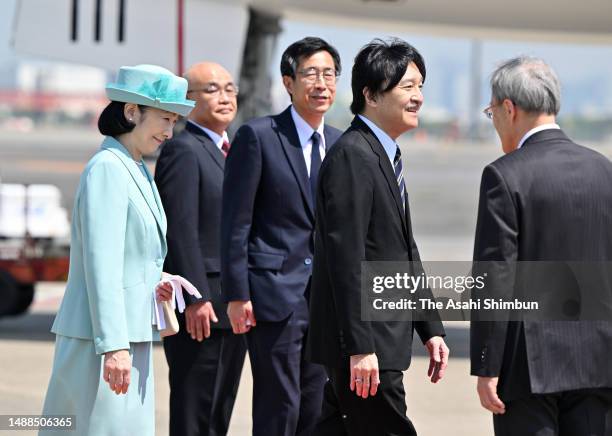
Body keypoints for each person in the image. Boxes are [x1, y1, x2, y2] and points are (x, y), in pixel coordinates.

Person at [40, 64, 195, 436]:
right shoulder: (109, 168)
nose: (169, 132)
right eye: (164, 119)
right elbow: (101, 263)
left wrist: (155, 279)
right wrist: (114, 347)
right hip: (104, 339)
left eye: (173, 121)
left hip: (126, 335)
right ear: (131, 112)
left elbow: (128, 255)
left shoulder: (134, 167)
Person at [306, 38, 449, 436]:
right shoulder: (354, 154)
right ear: (370, 94)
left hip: (377, 340)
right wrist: (360, 346)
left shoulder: (383, 154)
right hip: (367, 345)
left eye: (420, 86)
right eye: (407, 87)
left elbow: (403, 251)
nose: (418, 97)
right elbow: (346, 258)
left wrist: (431, 328)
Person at [471, 56, 612, 435]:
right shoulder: (604, 170)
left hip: (529, 368)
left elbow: (495, 276)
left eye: (491, 112)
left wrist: (487, 365)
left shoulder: (505, 175)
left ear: (509, 108)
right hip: (600, 364)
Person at [220, 37, 342, 435]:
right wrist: (237, 294)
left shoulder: (342, 145)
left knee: (314, 404)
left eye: (329, 74)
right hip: (273, 295)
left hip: (325, 301)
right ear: (289, 82)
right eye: (311, 74)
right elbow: (236, 222)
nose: (321, 83)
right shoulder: (259, 136)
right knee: (279, 405)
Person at [155, 61, 246, 436]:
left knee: (219, 408)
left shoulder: (232, 149)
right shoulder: (183, 149)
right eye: (211, 89)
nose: (224, 97)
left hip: (231, 303)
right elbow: (180, 228)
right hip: (204, 305)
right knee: (197, 409)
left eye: (229, 88)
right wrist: (195, 297)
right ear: (187, 102)